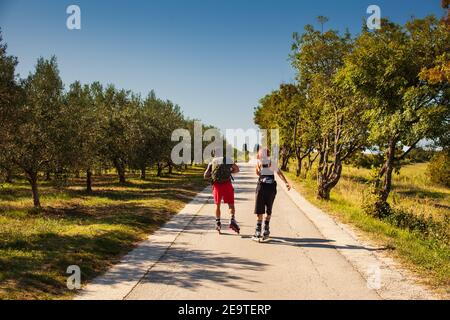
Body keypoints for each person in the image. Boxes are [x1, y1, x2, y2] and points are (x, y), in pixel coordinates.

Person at [253, 148, 291, 242]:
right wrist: (286, 183)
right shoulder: (269, 162)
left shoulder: (264, 163)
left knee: (262, 209)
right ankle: (264, 229)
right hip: (268, 188)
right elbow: (278, 173)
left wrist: (286, 182)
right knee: (264, 209)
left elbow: (259, 173)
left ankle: (261, 230)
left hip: (264, 187)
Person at [204, 155, 240, 234]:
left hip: (217, 186)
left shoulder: (212, 162)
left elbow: (205, 175)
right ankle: (232, 220)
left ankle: (218, 223)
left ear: (213, 154)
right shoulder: (227, 159)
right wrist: (229, 172)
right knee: (231, 205)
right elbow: (237, 169)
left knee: (217, 205)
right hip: (227, 184)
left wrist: (212, 174)